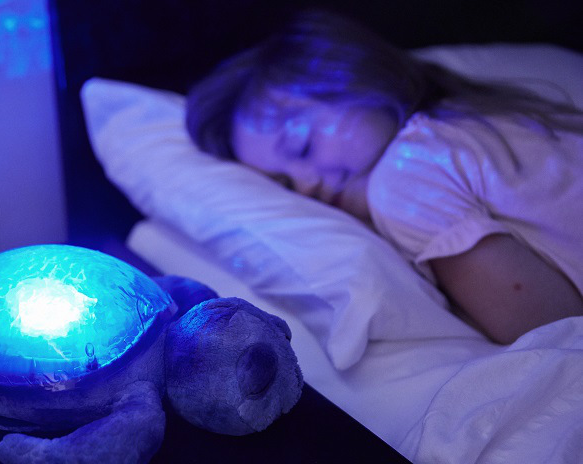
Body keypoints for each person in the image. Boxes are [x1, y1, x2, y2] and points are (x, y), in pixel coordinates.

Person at [185, 10, 583, 345]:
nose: (304, 186)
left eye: (302, 146)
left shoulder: (405, 179)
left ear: (358, 78)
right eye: (285, 184)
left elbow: (550, 332)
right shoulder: (478, 121)